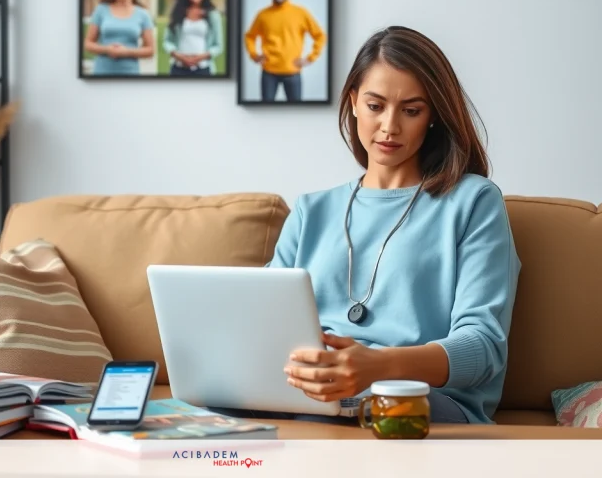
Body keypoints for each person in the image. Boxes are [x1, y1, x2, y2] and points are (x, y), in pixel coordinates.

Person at [218, 26, 522, 425]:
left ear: (433, 116)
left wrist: (377, 366)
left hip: (418, 398)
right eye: (376, 105)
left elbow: (483, 347)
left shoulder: (474, 201)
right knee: (203, 411)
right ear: (354, 102)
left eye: (411, 110)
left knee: (333, 413)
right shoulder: (311, 210)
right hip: (309, 391)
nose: (389, 126)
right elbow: (264, 323)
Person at [243, 0, 327, 101]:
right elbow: (250, 36)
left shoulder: (300, 13)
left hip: (293, 72)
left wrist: (310, 58)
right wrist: (254, 54)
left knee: (296, 112)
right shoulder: (262, 15)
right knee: (265, 111)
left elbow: (320, 35)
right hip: (269, 73)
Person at [83, 0, 154, 76]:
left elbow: (150, 50)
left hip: (130, 73)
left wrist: (126, 52)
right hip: (102, 72)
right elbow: (88, 44)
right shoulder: (101, 10)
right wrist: (107, 49)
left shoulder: (143, 14)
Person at [162, 0, 224, 77]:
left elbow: (218, 46)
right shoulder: (177, 12)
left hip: (203, 69)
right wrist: (179, 56)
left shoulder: (213, 15)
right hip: (178, 69)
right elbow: (167, 42)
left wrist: (200, 58)